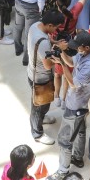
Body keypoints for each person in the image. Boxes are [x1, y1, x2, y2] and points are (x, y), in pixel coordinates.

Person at [47, 30, 90, 180]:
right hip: (83, 102)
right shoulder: (89, 50)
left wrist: (61, 64)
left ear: (86, 47)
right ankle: (78, 158)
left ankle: (63, 170)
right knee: (80, 130)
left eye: (78, 47)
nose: (76, 49)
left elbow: (73, 84)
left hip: (76, 104)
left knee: (65, 139)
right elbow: (71, 62)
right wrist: (61, 54)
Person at [27, 11, 65, 145]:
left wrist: (55, 42)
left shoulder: (36, 25)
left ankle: (41, 117)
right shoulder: (43, 43)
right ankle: (37, 133)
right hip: (40, 79)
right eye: (56, 27)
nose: (56, 31)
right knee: (38, 106)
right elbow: (48, 65)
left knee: (43, 103)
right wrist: (59, 51)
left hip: (32, 72)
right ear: (49, 25)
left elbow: (45, 40)